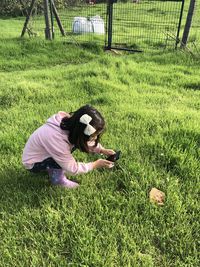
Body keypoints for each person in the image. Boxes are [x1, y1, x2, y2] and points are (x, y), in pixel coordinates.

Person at [22, 105, 115, 188]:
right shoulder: (57, 140)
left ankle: (51, 167)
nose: (94, 138)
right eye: (93, 136)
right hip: (33, 163)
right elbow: (72, 168)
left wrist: (101, 150)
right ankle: (58, 181)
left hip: (43, 154)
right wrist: (95, 164)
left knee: (72, 146)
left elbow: (84, 140)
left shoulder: (72, 125)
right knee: (60, 161)